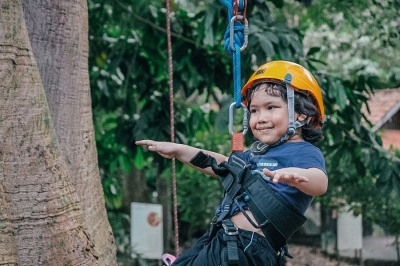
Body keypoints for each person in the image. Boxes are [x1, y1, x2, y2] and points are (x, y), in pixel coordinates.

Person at [136, 60, 328, 266]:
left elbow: (320, 183)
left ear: (302, 114)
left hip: (249, 246)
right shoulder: (254, 155)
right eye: (254, 111)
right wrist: (179, 150)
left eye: (271, 107)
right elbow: (221, 165)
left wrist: (299, 177)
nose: (260, 118)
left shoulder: (304, 152)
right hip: (222, 240)